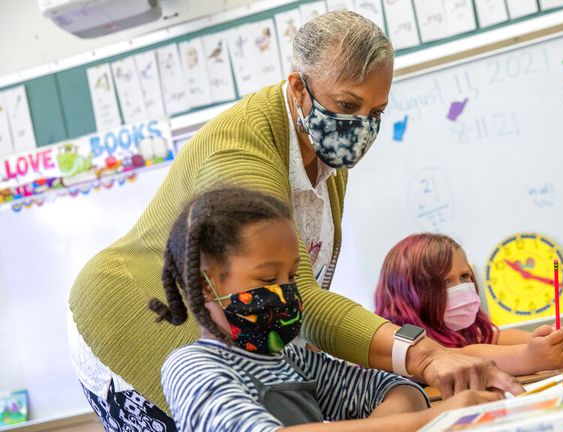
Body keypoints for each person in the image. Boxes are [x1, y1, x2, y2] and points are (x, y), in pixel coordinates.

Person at [68, 11, 520, 430]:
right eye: (346, 105)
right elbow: (302, 297)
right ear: (299, 88)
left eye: (375, 113)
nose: (360, 126)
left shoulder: (324, 150)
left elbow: (302, 300)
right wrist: (424, 359)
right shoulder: (239, 151)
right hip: (137, 320)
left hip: (249, 340)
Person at [153, 187, 500, 431]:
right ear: (204, 285)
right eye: (268, 278)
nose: (286, 291)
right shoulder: (191, 368)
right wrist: (428, 421)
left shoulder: (291, 358)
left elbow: (398, 389)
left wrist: (388, 424)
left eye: (291, 277)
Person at [375, 233, 563, 375]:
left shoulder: (459, 330)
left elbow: (492, 338)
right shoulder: (402, 343)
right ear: (409, 293)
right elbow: (462, 357)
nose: (462, 287)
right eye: (446, 282)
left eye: (465, 276)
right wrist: (530, 357)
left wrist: (548, 341)